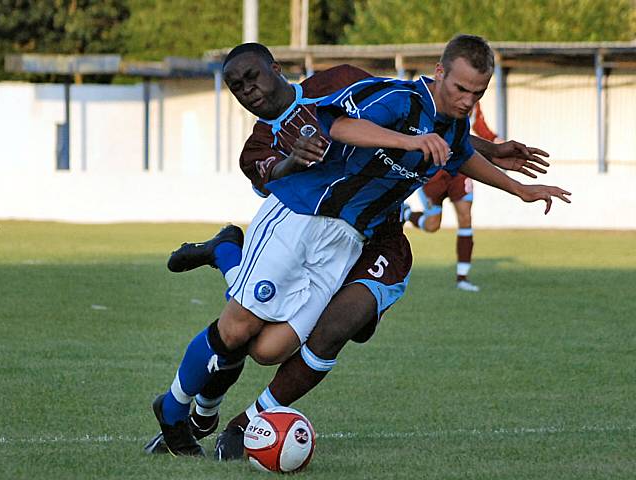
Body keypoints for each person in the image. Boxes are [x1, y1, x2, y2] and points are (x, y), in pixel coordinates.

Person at [149, 37, 570, 458]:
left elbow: (458, 153)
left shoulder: (440, 119)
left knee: (268, 348)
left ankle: (227, 255)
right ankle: (171, 409)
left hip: (346, 243)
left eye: (477, 93)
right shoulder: (397, 100)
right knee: (238, 327)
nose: (468, 100)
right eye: (461, 89)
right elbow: (340, 125)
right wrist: (408, 142)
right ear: (439, 72)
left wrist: (520, 190)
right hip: (302, 214)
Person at [403, 101, 548, 292]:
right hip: (434, 170)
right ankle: (405, 214)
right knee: (432, 225)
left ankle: (462, 278)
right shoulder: (436, 97)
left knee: (465, 218)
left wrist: (499, 143)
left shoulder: (473, 103)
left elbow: (482, 130)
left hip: (461, 170)